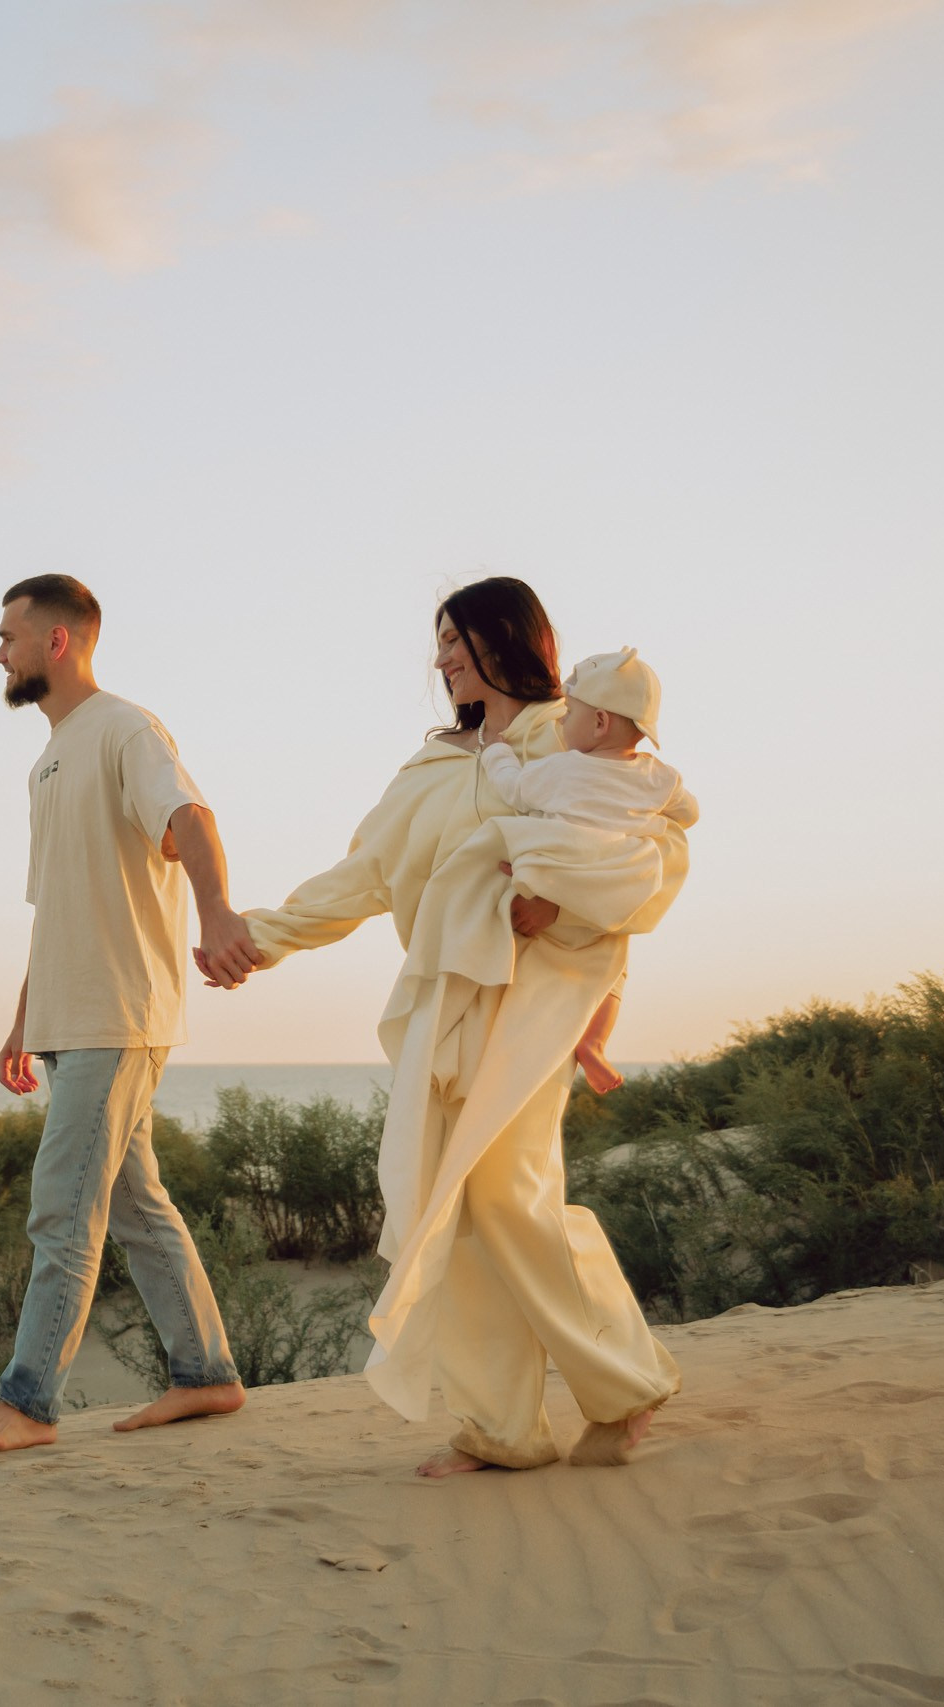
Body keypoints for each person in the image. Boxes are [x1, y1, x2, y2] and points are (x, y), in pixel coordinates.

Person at [230, 578, 687, 1477]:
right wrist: (262, 938)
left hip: (532, 1002)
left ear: (501, 640)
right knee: (461, 1211)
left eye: (453, 640)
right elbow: (364, 872)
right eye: (436, 643)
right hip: (448, 1001)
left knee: (509, 1193)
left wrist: (556, 898)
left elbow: (657, 850)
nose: (438, 659)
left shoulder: (576, 736)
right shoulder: (437, 764)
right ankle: (501, 1429)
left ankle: (625, 1381)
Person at [0, 574, 257, 1453]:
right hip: (68, 1018)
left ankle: (28, 1401)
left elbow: (190, 817)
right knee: (136, 1206)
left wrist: (219, 912)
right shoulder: (45, 762)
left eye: (8, 633)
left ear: (58, 641)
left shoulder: (125, 728)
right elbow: (55, 909)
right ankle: (208, 1375)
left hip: (120, 1014)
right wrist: (22, 1021)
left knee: (60, 1208)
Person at [476, 646, 695, 1095]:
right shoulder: (659, 777)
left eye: (568, 713)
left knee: (536, 845)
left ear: (599, 723)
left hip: (550, 891)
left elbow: (514, 788)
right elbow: (689, 813)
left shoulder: (562, 770)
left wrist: (497, 753)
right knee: (614, 974)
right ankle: (593, 1042)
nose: (559, 722)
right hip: (606, 908)